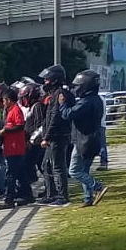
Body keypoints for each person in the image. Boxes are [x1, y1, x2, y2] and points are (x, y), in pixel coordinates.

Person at [59, 70, 108, 207]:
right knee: (84, 170)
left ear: (86, 86)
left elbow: (68, 115)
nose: (76, 89)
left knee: (74, 170)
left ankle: (97, 186)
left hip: (84, 141)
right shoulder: (96, 99)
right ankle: (88, 198)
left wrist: (62, 103)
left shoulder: (86, 102)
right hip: (93, 139)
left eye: (78, 86)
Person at [38, 65, 74, 207]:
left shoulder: (60, 94)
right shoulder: (54, 95)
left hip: (57, 136)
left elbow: (55, 118)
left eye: (47, 80)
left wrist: (46, 137)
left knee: (58, 166)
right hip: (53, 136)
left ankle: (62, 196)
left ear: (54, 80)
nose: (44, 82)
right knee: (46, 165)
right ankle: (51, 193)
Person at [0, 87, 33, 209]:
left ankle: (9, 199)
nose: (3, 103)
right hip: (13, 147)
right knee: (21, 173)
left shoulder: (15, 110)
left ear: (8, 100)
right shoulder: (11, 110)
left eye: (4, 100)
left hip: (15, 147)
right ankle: (28, 195)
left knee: (11, 175)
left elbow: (20, 126)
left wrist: (5, 130)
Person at [20, 82, 46, 185]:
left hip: (35, 143)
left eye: (24, 97)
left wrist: (31, 140)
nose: (22, 100)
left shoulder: (37, 106)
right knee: (40, 166)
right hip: (32, 142)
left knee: (29, 165)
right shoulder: (33, 106)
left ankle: (50, 189)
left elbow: (40, 125)